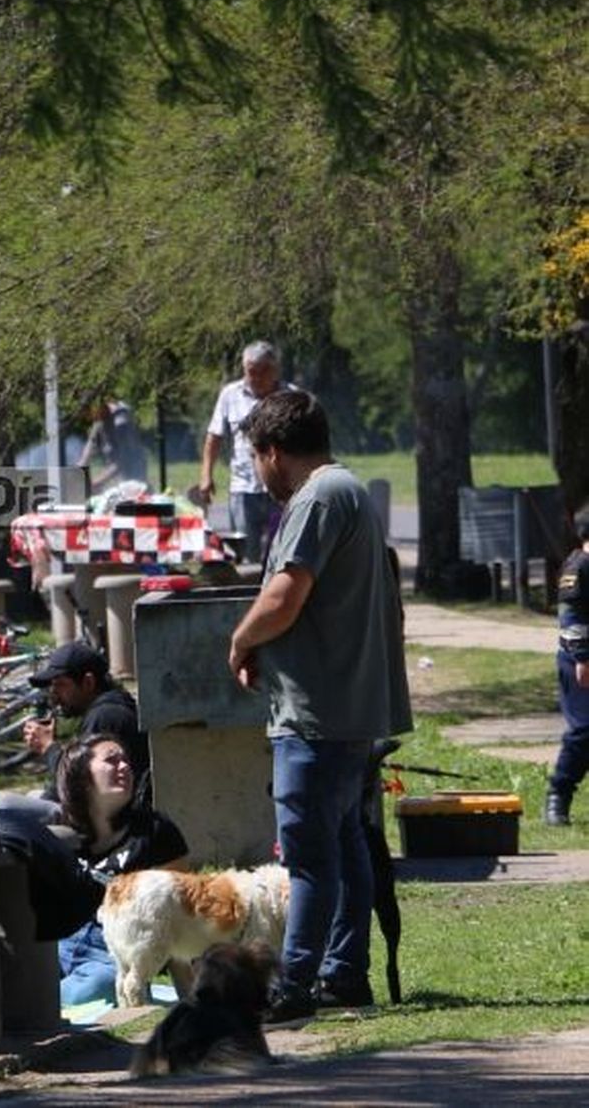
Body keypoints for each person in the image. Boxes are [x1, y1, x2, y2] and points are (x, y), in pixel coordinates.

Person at [226, 390, 412, 1024]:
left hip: (317, 715)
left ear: (273, 452)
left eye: (255, 458)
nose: (256, 472)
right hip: (344, 710)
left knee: (307, 855)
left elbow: (286, 594)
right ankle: (344, 973)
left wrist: (241, 638)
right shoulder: (347, 492)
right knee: (344, 849)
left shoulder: (317, 498)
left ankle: (295, 984)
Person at [55, 735, 188, 1006]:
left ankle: (39, 1002)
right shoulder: (60, 831)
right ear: (81, 776)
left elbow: (178, 919)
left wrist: (192, 999)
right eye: (112, 760)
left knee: (99, 986)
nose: (125, 766)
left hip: (111, 956)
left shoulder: (154, 832)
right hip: (58, 946)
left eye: (126, 760)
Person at [0, 643, 148, 824]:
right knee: (34, 795)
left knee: (3, 805)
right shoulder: (107, 709)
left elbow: (78, 784)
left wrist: (49, 748)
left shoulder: (105, 717)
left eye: (61, 685)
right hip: (101, 812)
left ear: (88, 682)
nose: (54, 694)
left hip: (109, 821)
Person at [195, 341, 291, 563]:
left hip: (282, 488)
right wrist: (206, 475)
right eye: (250, 371)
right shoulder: (230, 394)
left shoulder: (291, 396)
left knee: (283, 552)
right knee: (246, 555)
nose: (255, 377)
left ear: (274, 370)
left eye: (262, 372)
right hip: (243, 488)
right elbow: (214, 436)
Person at [546, 505, 589, 825]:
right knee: (584, 731)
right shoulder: (579, 566)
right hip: (581, 662)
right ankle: (558, 795)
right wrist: (582, 657)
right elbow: (571, 616)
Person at [78, 398, 149, 491]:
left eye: (89, 413)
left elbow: (122, 461)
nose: (88, 418)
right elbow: (91, 442)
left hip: (132, 474)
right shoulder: (101, 417)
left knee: (131, 499)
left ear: (97, 407)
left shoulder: (121, 423)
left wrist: (97, 482)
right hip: (116, 473)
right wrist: (80, 467)